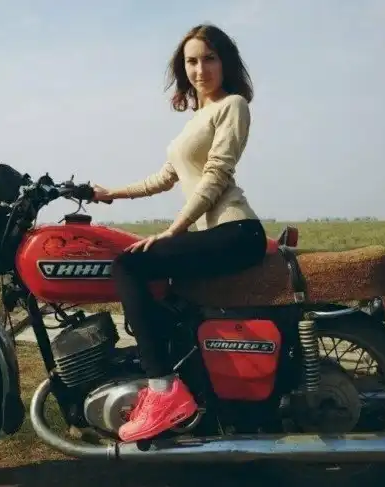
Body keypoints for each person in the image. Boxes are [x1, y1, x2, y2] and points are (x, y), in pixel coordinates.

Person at [91, 23, 267, 442]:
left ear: (225, 63)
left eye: (209, 59)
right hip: (217, 230)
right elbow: (166, 176)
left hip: (235, 230)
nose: (200, 69)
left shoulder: (233, 105)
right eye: (191, 61)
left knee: (128, 266)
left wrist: (176, 229)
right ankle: (189, 387)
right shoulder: (196, 119)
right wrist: (111, 194)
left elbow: (216, 174)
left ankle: (162, 390)